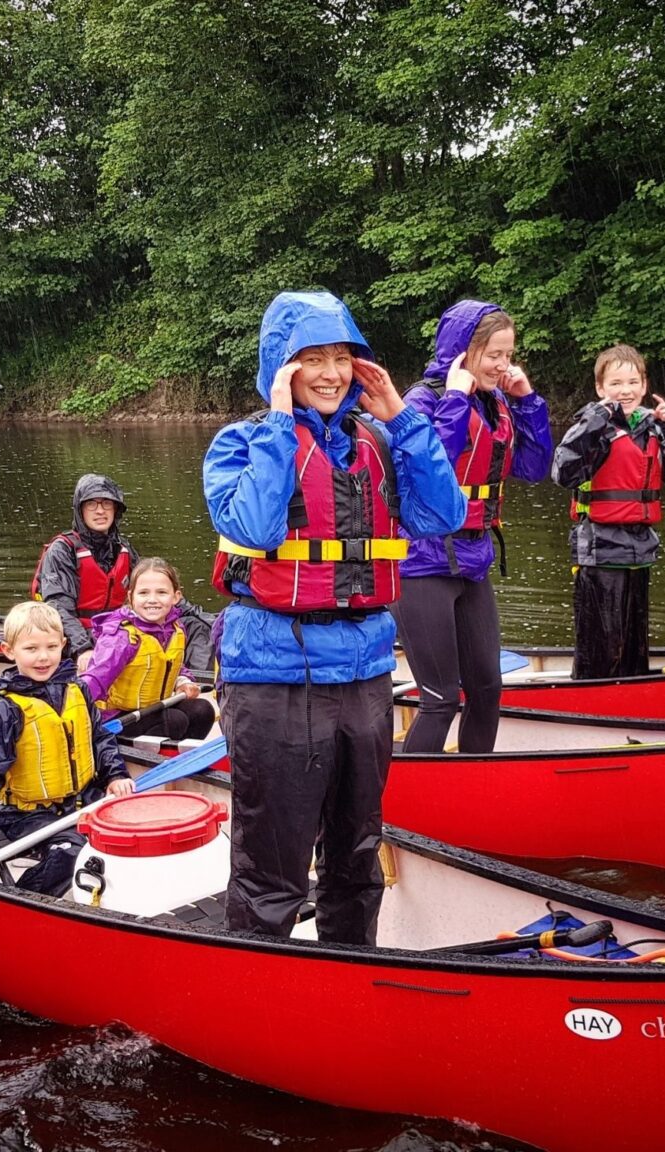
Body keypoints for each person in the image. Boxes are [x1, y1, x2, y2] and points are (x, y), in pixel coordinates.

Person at [203, 290, 465, 944]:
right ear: (280, 367)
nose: (330, 372)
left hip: (365, 674)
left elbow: (445, 516)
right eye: (310, 359)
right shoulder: (241, 442)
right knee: (274, 869)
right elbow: (254, 527)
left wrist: (403, 418)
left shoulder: (377, 441)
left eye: (342, 357)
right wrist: (278, 419)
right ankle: (257, 991)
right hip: (273, 675)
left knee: (356, 858)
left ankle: (348, 980)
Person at [395, 301, 553, 754]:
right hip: (421, 564)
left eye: (509, 355)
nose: (504, 365)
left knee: (487, 691)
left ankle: (474, 782)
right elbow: (428, 473)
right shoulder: (421, 401)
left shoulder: (497, 402)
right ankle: (412, 800)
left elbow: (531, 467)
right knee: (440, 699)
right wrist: (455, 398)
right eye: (494, 356)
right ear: (463, 353)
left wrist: (527, 403)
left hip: (472, 557)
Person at [551, 343, 665, 679]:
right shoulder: (593, 426)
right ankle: (592, 695)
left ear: (644, 386)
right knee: (601, 645)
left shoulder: (653, 426)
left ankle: (635, 689)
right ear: (601, 388)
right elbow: (563, 473)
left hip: (639, 549)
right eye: (616, 384)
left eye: (633, 382)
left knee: (634, 646)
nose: (625, 391)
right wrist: (594, 422)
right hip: (599, 549)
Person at [0, 601, 132, 893]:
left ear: (63, 645)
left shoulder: (77, 691)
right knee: (70, 851)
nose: (43, 657)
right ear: (9, 651)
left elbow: (101, 739)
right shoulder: (2, 709)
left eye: (51, 647)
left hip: (82, 799)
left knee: (128, 833)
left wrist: (115, 775)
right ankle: (26, 899)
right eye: (31, 649)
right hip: (26, 814)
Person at [81, 558, 216, 742]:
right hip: (115, 717)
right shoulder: (121, 637)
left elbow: (173, 664)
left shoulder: (176, 628)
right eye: (143, 593)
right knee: (175, 721)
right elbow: (95, 678)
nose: (152, 600)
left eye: (161, 593)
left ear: (176, 597)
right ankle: (148, 761)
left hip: (152, 709)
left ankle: (178, 759)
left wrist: (182, 681)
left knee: (202, 710)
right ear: (131, 597)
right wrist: (73, 711)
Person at [31, 473, 138, 673]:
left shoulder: (123, 548)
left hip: (114, 631)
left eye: (106, 503)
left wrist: (197, 615)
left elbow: (155, 586)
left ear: (115, 509)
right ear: (80, 510)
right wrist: (83, 648)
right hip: (74, 637)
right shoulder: (63, 550)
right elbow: (58, 609)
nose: (100, 511)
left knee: (192, 625)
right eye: (91, 504)